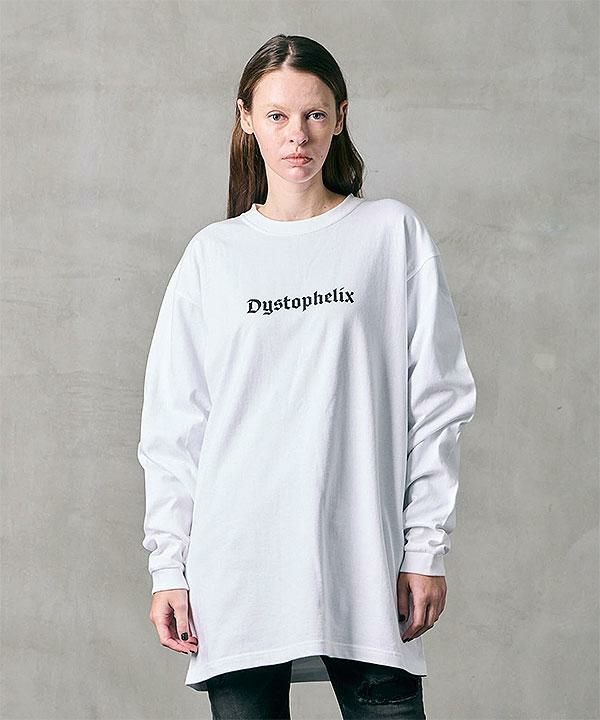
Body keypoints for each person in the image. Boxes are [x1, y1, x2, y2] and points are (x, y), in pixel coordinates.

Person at [137, 34, 477, 720]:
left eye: (315, 114)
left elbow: (437, 404)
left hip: (365, 566)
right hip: (238, 572)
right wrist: (168, 567)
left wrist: (425, 550)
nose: (298, 135)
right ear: (246, 119)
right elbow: (175, 427)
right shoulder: (213, 256)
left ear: (341, 117)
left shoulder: (390, 235)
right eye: (277, 116)